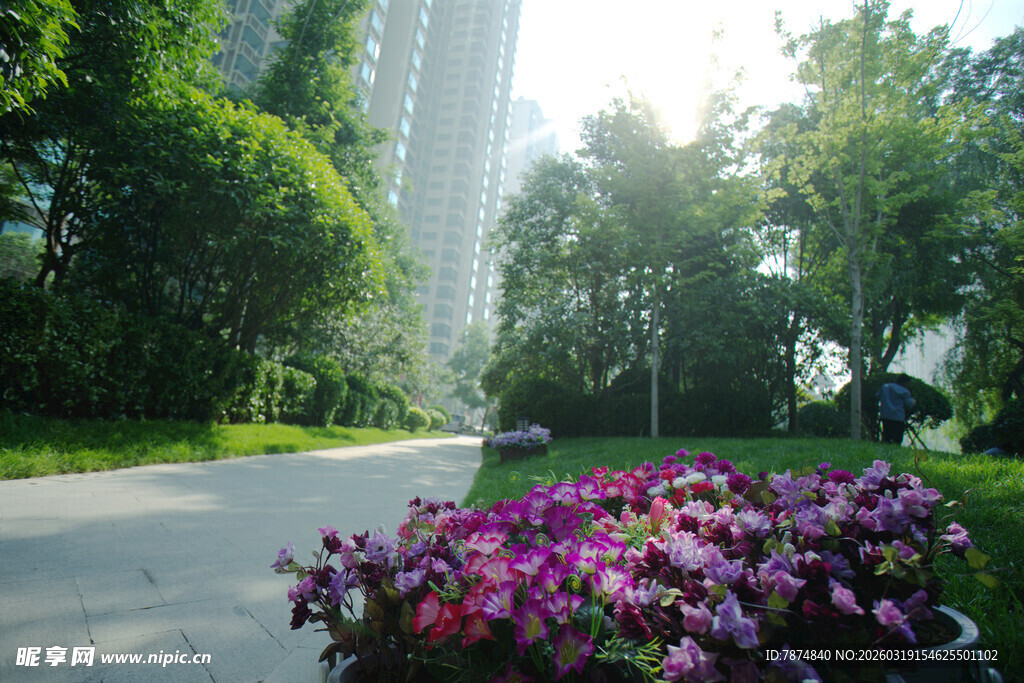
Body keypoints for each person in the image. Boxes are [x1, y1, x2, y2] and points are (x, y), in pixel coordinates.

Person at [876, 374, 916, 445]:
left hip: (885, 415)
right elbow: (909, 404)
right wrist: (913, 401)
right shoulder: (904, 391)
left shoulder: (885, 387)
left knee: (886, 436)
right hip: (898, 417)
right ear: (905, 382)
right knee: (897, 439)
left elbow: (877, 396)